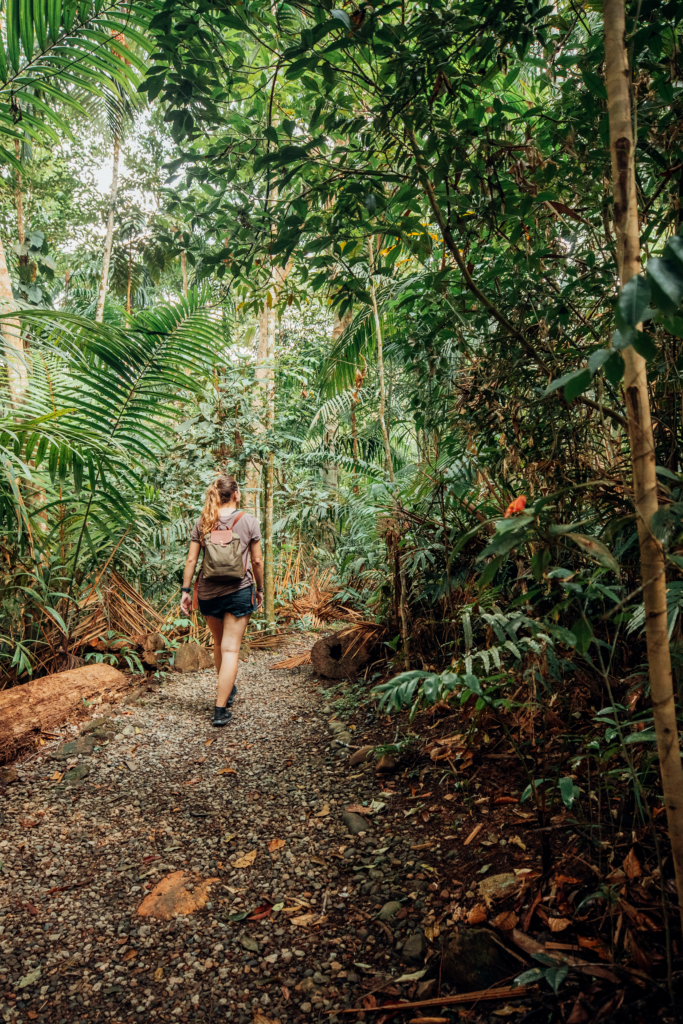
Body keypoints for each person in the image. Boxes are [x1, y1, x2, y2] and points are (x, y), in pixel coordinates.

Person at [180, 477, 263, 726]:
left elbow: (191, 561)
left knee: (219, 645)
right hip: (239, 591)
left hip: (208, 592)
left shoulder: (203, 521)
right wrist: (260, 588)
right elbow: (257, 562)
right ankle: (219, 709)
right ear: (236, 494)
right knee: (230, 649)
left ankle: (226, 695)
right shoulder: (248, 521)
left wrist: (185, 591)